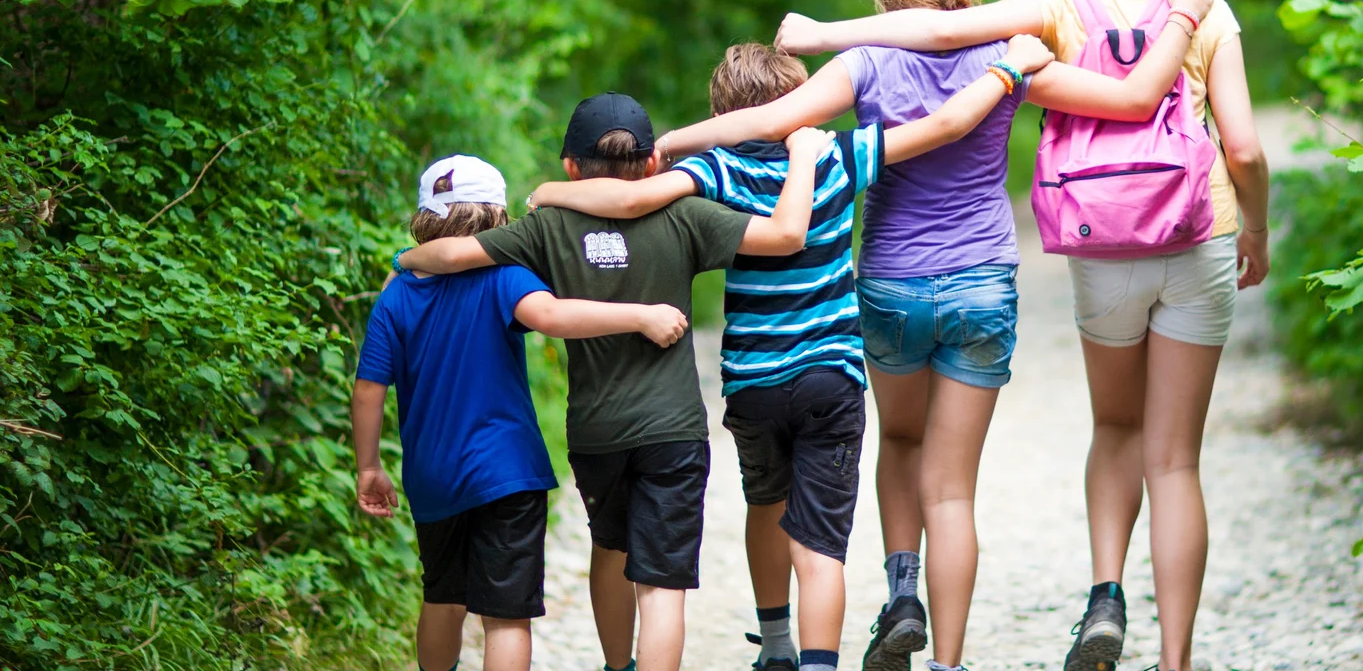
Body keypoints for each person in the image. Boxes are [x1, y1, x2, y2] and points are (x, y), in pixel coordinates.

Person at [661, 0, 1214, 671]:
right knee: (953, 491)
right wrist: (1179, 17)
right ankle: (948, 661)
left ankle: (901, 596)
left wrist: (669, 145)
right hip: (983, 282)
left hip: (890, 282)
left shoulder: (864, 62)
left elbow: (767, 121)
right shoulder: (1008, 57)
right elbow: (1125, 100)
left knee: (902, 443)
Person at [776, 0, 1270, 671]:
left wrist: (828, 34)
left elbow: (935, 38)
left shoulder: (1055, 5)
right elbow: (1243, 146)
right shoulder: (1203, 8)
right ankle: (1174, 658)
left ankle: (1099, 596)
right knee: (1175, 459)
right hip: (1196, 231)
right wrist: (1257, 226)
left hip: (1096, 240)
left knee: (1110, 427)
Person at [527, 38, 1054, 671]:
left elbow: (632, 200)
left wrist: (552, 194)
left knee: (765, 505)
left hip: (754, 379)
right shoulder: (835, 153)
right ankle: (819, 663)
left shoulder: (715, 170)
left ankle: (775, 647)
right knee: (821, 540)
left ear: (726, 109)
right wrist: (1003, 69)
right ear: (802, 100)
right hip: (831, 374)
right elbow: (943, 126)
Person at [395, 93, 825, 671]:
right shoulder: (687, 215)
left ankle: (616, 665)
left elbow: (445, 257)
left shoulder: (546, 228)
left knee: (609, 546)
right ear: (652, 164)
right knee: (662, 585)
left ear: (570, 166)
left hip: (596, 432)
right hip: (672, 428)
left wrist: (406, 260)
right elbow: (784, 235)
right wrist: (803, 155)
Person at [351, 154, 692, 671]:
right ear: (497, 214)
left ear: (425, 217)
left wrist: (369, 467)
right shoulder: (504, 277)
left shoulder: (396, 295)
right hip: (507, 474)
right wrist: (640, 315)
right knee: (506, 616)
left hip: (433, 478)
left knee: (441, 598)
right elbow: (553, 316)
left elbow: (368, 390)